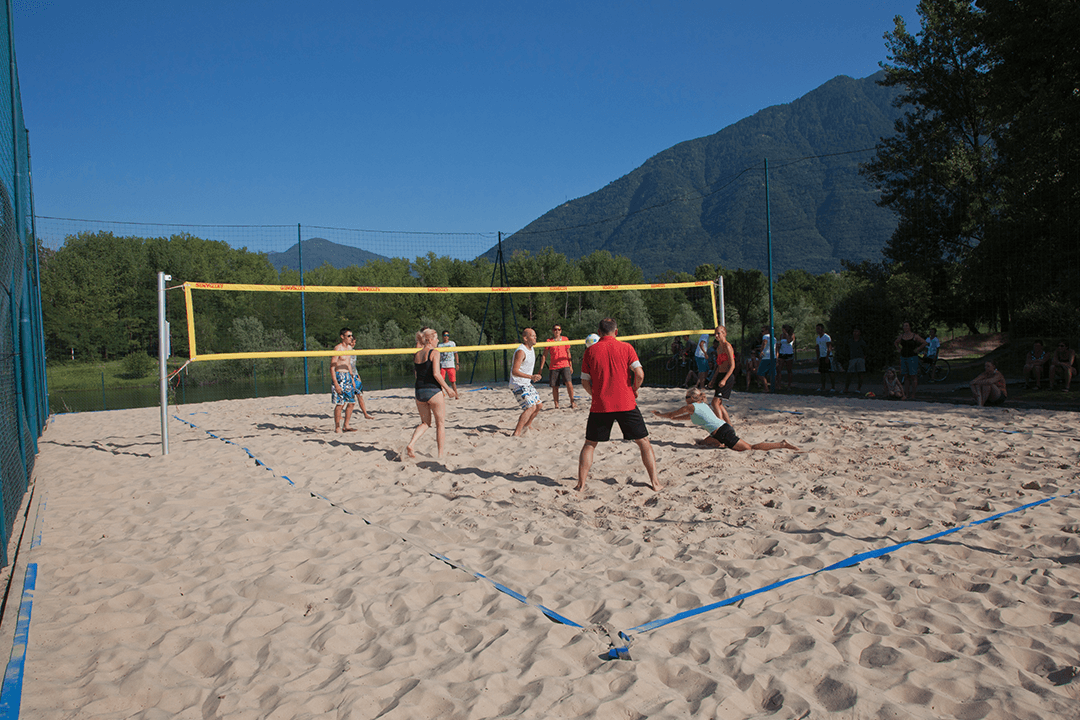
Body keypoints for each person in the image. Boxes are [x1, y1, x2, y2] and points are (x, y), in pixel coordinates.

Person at [576, 318, 660, 492]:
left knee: (590, 444)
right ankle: (655, 483)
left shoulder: (590, 351)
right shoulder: (627, 347)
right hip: (626, 402)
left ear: (599, 333)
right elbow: (639, 373)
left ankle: (581, 484)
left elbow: (584, 381)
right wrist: (634, 388)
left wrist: (595, 394)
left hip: (601, 404)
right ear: (616, 331)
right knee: (643, 442)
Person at [653, 388, 800, 452]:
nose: (684, 400)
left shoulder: (691, 406)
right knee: (704, 443)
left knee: (750, 448)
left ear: (692, 398)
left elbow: (673, 414)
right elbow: (685, 418)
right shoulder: (701, 405)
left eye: (686, 397)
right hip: (719, 431)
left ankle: (782, 444)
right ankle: (716, 442)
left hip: (723, 432)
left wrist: (659, 414)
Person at [406, 327, 458, 460]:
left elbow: (417, 374)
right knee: (440, 424)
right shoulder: (434, 352)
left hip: (419, 391)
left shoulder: (417, 354)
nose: (438, 340)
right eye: (435, 338)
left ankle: (411, 444)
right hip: (433, 391)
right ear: (429, 340)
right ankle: (440, 455)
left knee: (425, 423)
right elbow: (436, 374)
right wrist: (447, 388)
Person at [510, 328, 543, 436]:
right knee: (530, 407)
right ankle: (517, 432)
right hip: (517, 384)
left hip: (526, 383)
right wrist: (531, 376)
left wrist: (532, 377)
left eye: (535, 335)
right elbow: (515, 371)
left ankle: (527, 425)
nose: (535, 337)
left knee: (539, 406)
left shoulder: (531, 348)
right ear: (525, 338)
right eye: (533, 336)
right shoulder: (521, 351)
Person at [331, 328, 363, 433]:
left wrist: (352, 377)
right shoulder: (338, 348)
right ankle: (337, 427)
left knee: (352, 402)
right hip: (339, 376)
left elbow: (349, 364)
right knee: (340, 403)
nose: (351, 338)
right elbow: (332, 367)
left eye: (351, 336)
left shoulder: (349, 348)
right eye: (348, 336)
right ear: (342, 337)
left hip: (348, 376)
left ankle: (346, 425)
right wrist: (336, 383)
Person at [538, 323, 576, 409]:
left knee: (569, 384)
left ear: (561, 331)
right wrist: (541, 368)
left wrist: (570, 365)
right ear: (552, 331)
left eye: (559, 329)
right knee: (555, 386)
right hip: (554, 367)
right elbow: (544, 355)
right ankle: (556, 405)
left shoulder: (565, 339)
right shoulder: (549, 341)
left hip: (565, 364)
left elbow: (568, 352)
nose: (557, 331)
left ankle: (572, 402)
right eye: (555, 329)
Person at [708, 325, 736, 424]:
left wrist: (724, 379)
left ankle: (720, 425)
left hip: (727, 376)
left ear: (724, 334)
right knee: (719, 404)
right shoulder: (719, 348)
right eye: (715, 333)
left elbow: (732, 366)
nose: (716, 335)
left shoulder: (728, 346)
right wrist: (713, 379)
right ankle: (728, 424)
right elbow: (718, 367)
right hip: (720, 375)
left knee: (714, 403)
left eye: (718, 333)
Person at [894, 322, 927, 400]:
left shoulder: (914, 336)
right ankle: (906, 393)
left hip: (912, 357)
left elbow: (924, 342)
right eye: (904, 326)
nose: (905, 327)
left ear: (910, 327)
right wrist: (898, 348)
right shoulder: (901, 336)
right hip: (904, 356)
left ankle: (913, 394)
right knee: (905, 376)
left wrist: (918, 349)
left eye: (906, 326)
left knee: (913, 375)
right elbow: (896, 342)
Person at [843, 327, 868, 393]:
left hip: (860, 358)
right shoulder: (850, 341)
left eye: (857, 331)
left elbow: (865, 350)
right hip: (852, 358)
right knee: (849, 374)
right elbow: (847, 349)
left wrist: (863, 358)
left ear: (859, 333)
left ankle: (858, 389)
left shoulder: (862, 342)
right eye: (854, 331)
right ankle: (846, 388)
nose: (855, 333)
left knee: (860, 374)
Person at [815, 324, 836, 392]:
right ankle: (823, 387)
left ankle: (833, 387)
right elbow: (817, 348)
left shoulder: (826, 337)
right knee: (822, 373)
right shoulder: (818, 338)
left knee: (830, 372)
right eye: (817, 329)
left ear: (822, 329)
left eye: (819, 328)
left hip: (828, 356)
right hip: (821, 356)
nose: (817, 330)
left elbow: (829, 347)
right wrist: (818, 358)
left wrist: (827, 357)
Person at [437, 330, 458, 395]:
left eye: (447, 335)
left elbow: (456, 354)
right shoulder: (440, 345)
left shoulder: (452, 343)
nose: (446, 337)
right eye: (445, 335)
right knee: (441, 381)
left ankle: (456, 394)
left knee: (453, 381)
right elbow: (438, 356)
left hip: (451, 365)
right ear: (442, 336)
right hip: (442, 365)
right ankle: (442, 394)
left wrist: (457, 363)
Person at [756, 325, 775, 392]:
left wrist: (761, 351)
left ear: (767, 331)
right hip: (773, 356)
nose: (762, 332)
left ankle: (766, 388)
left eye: (763, 331)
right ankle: (773, 387)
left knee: (760, 373)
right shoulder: (773, 337)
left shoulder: (765, 336)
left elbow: (764, 343)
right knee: (771, 373)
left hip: (766, 356)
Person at [777, 324, 795, 390]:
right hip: (782, 353)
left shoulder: (792, 335)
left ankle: (789, 385)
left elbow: (788, 341)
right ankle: (779, 385)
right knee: (779, 369)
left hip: (789, 353)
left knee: (789, 370)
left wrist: (786, 334)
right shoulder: (781, 335)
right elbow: (780, 343)